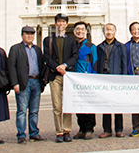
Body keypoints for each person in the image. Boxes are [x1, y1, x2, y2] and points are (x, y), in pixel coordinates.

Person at [8, 26, 47, 144]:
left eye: (32, 34)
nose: (29, 36)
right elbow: (11, 67)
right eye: (27, 33)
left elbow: (42, 65)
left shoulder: (37, 49)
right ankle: (21, 134)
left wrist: (42, 82)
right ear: (22, 35)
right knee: (22, 110)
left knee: (34, 111)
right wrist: (14, 83)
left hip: (36, 81)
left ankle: (34, 133)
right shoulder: (15, 48)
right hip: (23, 83)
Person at [43, 13, 78, 143]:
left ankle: (67, 130)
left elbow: (75, 56)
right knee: (57, 106)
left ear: (66, 24)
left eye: (63, 22)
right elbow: (46, 57)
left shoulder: (71, 40)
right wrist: (57, 67)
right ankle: (59, 131)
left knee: (67, 104)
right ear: (55, 23)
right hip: (55, 76)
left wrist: (64, 65)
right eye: (59, 21)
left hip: (68, 75)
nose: (61, 24)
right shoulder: (48, 40)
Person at [97, 23, 127, 138]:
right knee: (105, 105)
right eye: (107, 30)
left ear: (115, 32)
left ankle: (119, 129)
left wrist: (123, 78)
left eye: (111, 30)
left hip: (116, 78)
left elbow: (124, 64)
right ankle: (107, 129)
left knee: (117, 104)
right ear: (103, 32)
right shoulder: (99, 47)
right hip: (104, 77)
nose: (109, 32)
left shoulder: (121, 46)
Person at [73, 21, 98, 140]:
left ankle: (89, 129)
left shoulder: (91, 46)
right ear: (74, 31)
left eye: (82, 29)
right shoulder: (72, 45)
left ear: (86, 31)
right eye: (77, 29)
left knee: (89, 105)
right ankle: (81, 128)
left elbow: (95, 63)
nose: (80, 31)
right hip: (75, 80)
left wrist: (93, 77)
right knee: (78, 105)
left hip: (88, 79)